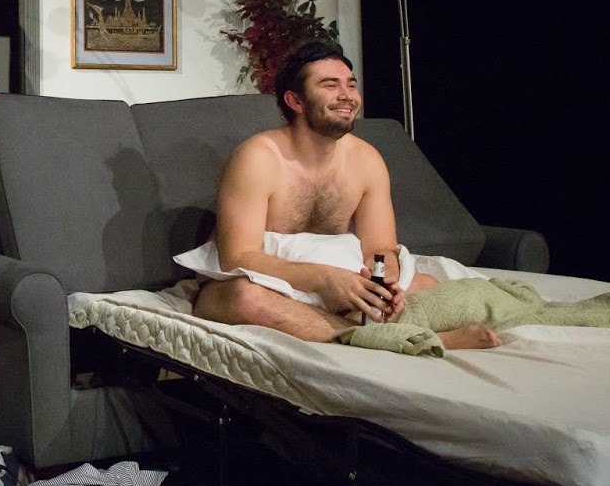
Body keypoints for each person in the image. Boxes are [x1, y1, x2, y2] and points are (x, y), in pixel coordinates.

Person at [190, 41, 499, 351]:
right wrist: (326, 279)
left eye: (351, 85)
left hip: (343, 280)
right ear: (295, 101)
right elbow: (238, 258)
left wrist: (381, 283)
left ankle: (376, 329)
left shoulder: (367, 160)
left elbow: (380, 248)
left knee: (426, 284)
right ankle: (398, 340)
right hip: (273, 282)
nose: (348, 96)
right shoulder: (256, 158)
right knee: (243, 298)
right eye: (330, 85)